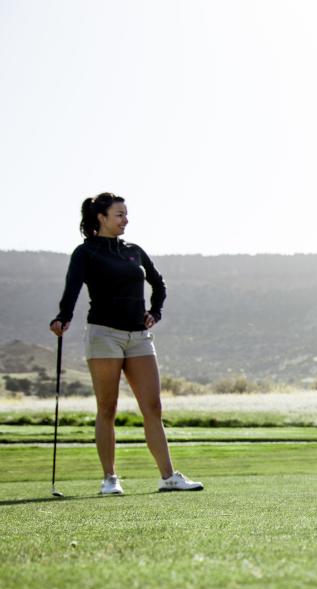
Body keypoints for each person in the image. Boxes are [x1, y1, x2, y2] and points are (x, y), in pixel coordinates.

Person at [50, 193, 203, 495]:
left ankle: (168, 477)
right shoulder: (86, 252)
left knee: (153, 406)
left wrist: (155, 312)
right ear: (101, 218)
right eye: (119, 215)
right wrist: (63, 317)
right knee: (107, 407)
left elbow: (159, 284)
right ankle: (110, 479)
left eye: (126, 214)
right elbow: (73, 287)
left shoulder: (134, 251)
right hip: (104, 334)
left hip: (138, 336)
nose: (125, 220)